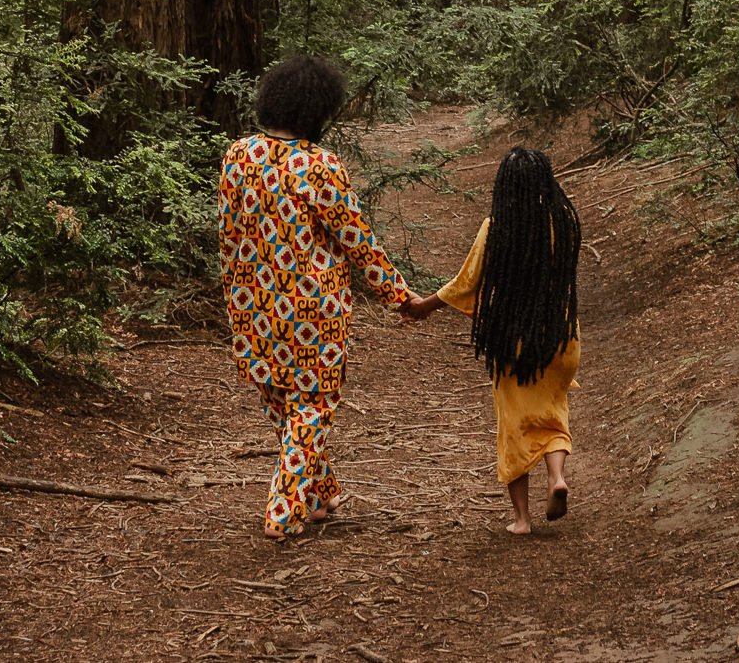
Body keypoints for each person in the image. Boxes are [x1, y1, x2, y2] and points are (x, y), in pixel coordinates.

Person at [217, 55, 414, 539]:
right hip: (314, 312)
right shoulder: (321, 165)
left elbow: (227, 232)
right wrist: (400, 297)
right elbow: (357, 241)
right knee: (310, 409)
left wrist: (236, 299)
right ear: (318, 110)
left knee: (286, 408)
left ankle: (320, 494)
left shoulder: (236, 155)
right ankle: (282, 514)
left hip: (251, 307)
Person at [401, 146, 581, 534]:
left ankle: (521, 519)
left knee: (514, 424)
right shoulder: (562, 224)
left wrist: (425, 307)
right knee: (553, 411)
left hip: (515, 341)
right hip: (560, 338)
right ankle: (557, 478)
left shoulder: (497, 226)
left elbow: (467, 282)